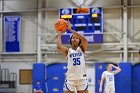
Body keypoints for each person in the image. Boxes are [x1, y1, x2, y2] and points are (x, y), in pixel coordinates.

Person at [56, 21, 88, 93]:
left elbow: (85, 40)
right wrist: (59, 34)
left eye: (77, 38)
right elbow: (58, 47)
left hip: (82, 79)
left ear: (79, 40)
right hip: (70, 79)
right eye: (73, 38)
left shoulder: (82, 49)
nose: (74, 39)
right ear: (70, 40)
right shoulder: (68, 51)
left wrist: (71, 30)